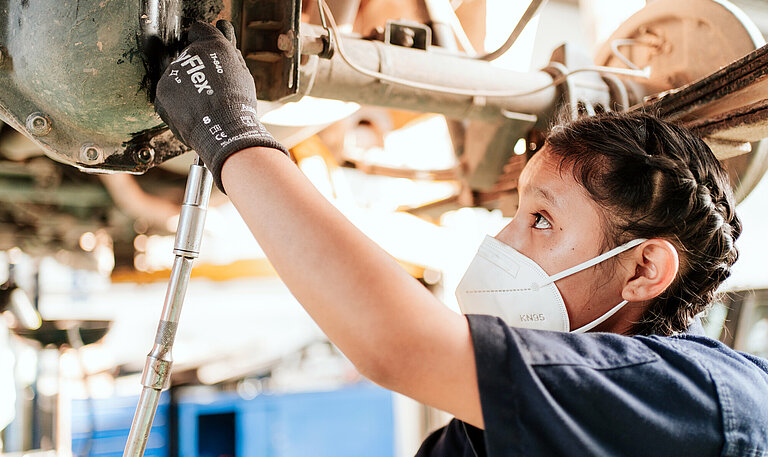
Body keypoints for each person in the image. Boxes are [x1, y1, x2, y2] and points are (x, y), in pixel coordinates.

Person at [154, 22, 768, 456]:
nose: (504, 241)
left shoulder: (709, 402)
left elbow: (398, 344)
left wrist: (230, 132)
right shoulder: (482, 436)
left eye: (543, 221)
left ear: (644, 270)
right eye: (517, 211)